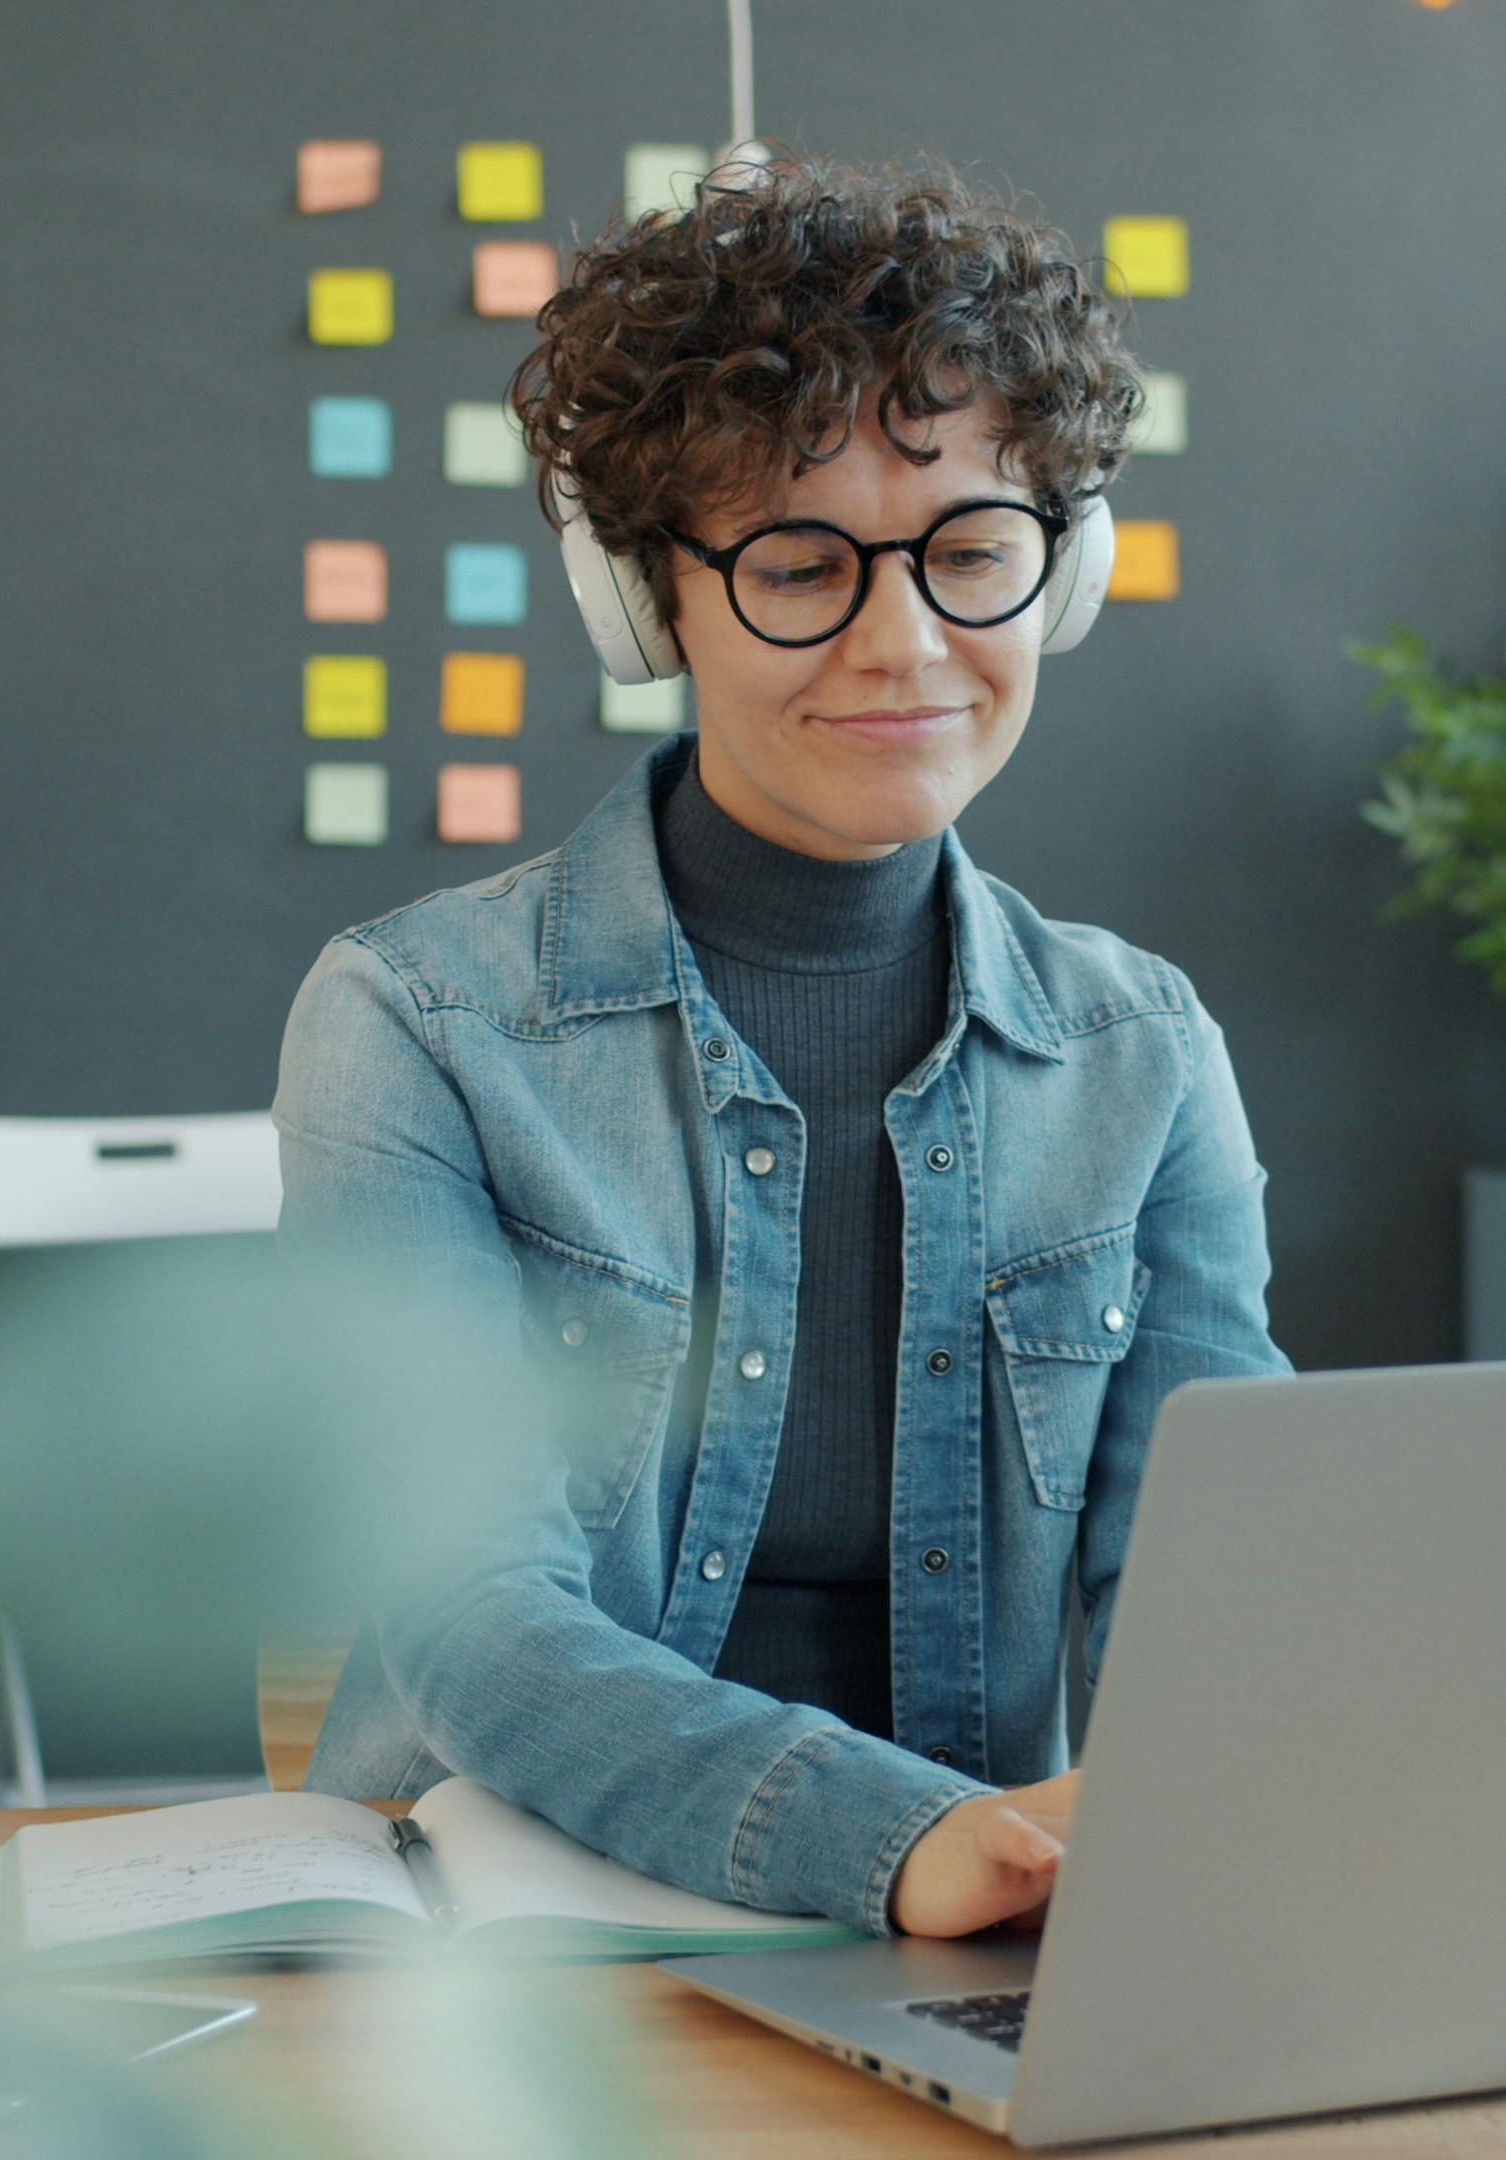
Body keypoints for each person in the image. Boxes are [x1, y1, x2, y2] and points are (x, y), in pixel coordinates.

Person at [273, 153, 1285, 1939]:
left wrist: (1191, 1866)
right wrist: (884, 1841)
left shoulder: (1145, 1051)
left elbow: (1226, 1590)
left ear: (1063, 573)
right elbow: (464, 1615)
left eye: (973, 554)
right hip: (507, 1955)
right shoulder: (413, 1025)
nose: (905, 644)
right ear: (650, 599)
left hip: (968, 1927)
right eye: (802, 564)